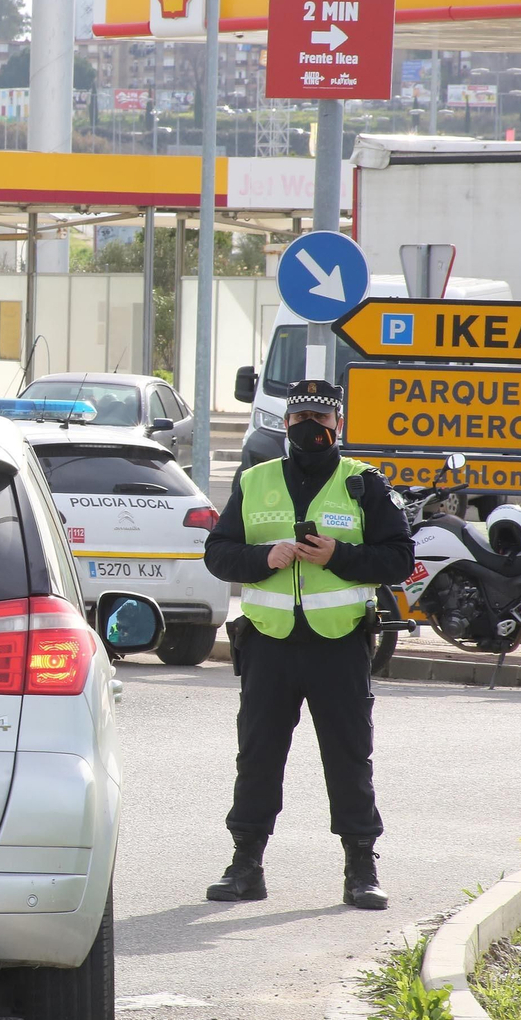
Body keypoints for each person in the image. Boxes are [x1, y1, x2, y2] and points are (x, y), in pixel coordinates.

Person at [202, 379, 413, 910]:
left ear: (337, 425)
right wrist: (263, 558)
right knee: (257, 757)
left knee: (348, 758)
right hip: (269, 646)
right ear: (285, 423)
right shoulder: (255, 481)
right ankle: (245, 865)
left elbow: (399, 561)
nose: (310, 428)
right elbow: (218, 553)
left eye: (321, 419)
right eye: (300, 419)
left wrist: (338, 556)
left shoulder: (364, 483)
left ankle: (360, 869)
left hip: (338, 645)